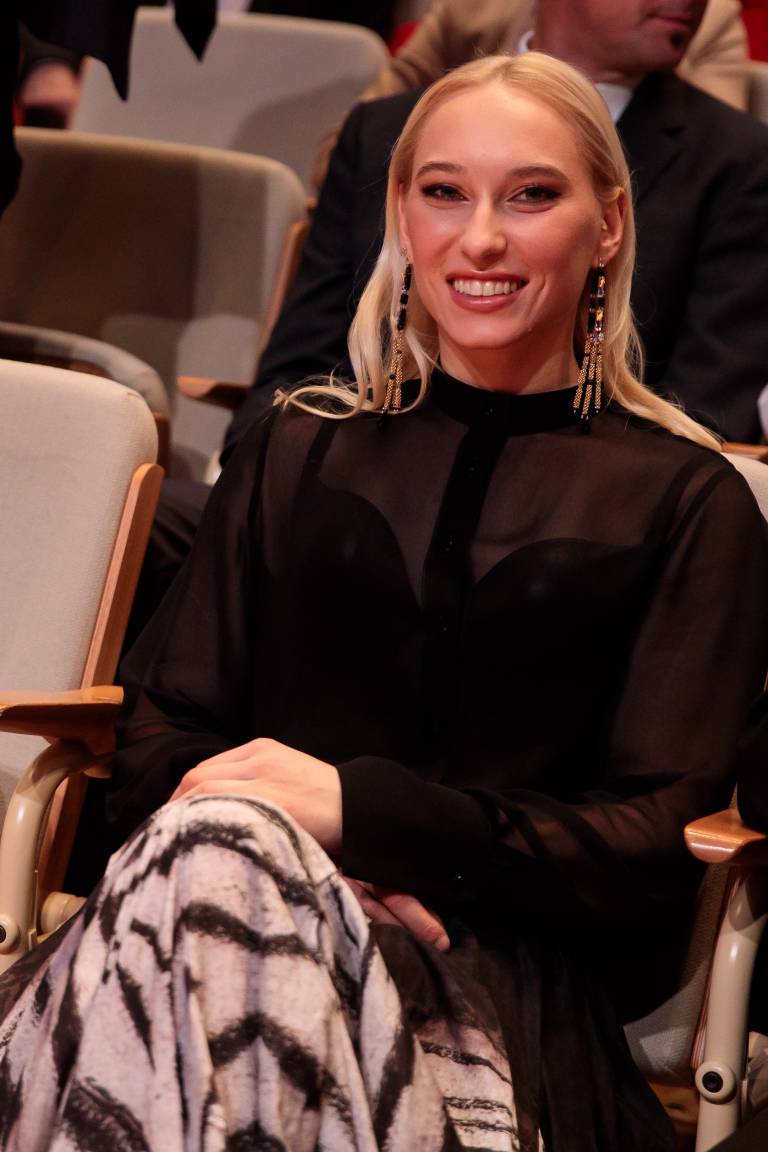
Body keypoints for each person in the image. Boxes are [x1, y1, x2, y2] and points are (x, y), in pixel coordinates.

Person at [2, 50, 768, 1152]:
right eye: (444, 192)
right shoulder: (297, 449)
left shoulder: (689, 502)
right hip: (216, 904)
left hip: (491, 992)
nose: (481, 238)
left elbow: (644, 849)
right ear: (402, 216)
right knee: (222, 870)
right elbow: (159, 737)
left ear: (608, 226)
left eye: (531, 195)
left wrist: (366, 818)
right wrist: (300, 867)